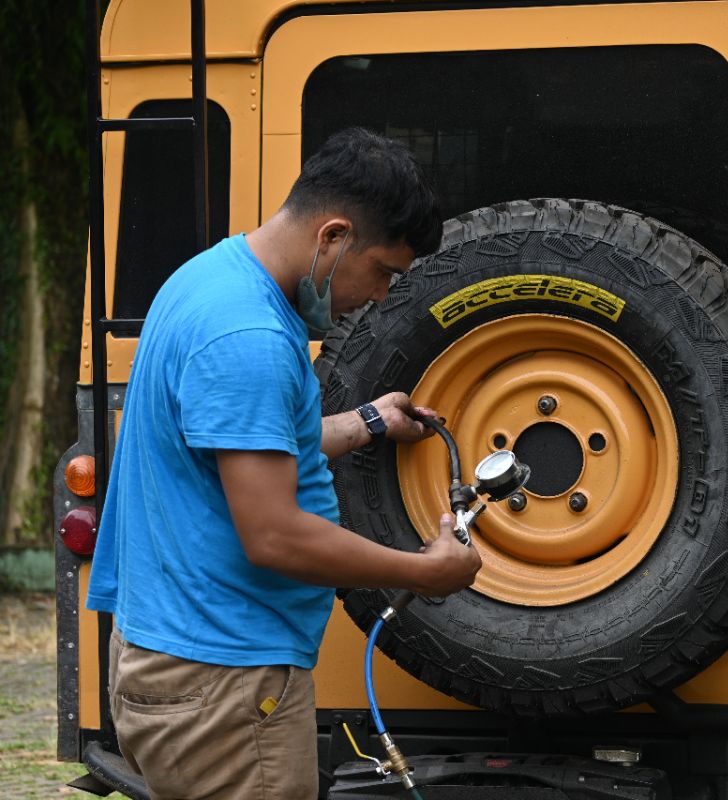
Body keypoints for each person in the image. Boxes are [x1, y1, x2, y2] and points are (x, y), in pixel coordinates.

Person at [86, 127, 482, 799]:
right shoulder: (250, 338)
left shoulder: (211, 276)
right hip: (224, 686)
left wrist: (367, 421)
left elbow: (241, 446)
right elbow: (273, 534)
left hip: (186, 658)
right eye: (384, 271)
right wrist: (424, 573)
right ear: (333, 237)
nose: (383, 296)